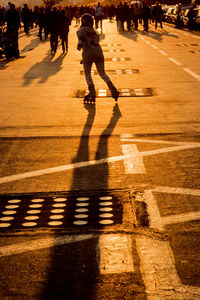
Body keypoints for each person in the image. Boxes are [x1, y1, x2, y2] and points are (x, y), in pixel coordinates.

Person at [77, 14, 119, 103]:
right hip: (99, 53)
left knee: (87, 73)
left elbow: (81, 40)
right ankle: (113, 89)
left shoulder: (81, 30)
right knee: (102, 73)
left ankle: (92, 92)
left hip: (88, 55)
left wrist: (80, 46)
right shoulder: (95, 32)